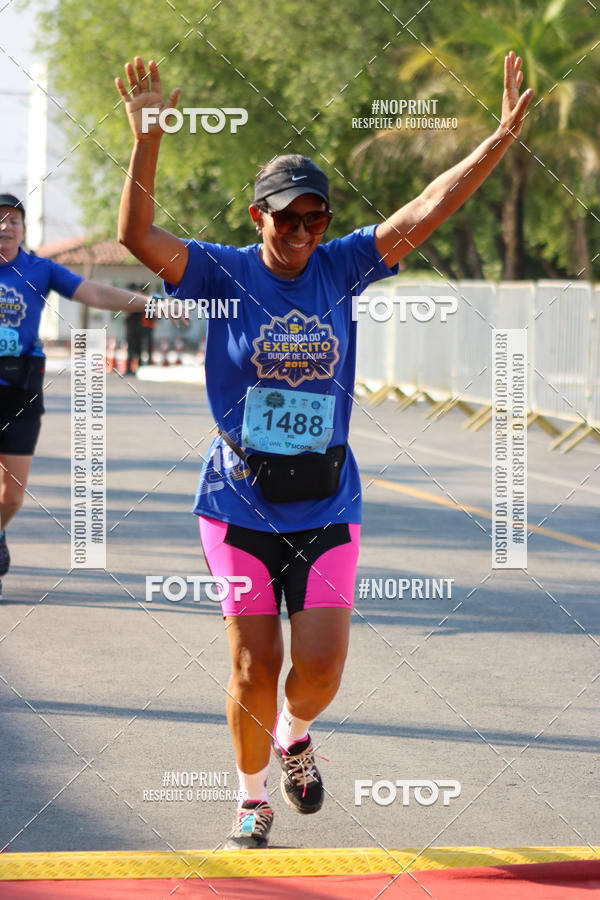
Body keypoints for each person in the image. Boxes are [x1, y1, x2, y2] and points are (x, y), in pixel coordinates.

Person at [115, 53, 533, 849]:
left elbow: (427, 208)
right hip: (238, 498)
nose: (303, 232)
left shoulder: (343, 266)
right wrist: (147, 135)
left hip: (327, 498)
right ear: (256, 218)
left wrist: (498, 141)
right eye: (287, 218)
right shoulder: (219, 273)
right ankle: (251, 799)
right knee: (250, 667)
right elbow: (135, 234)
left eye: (315, 218)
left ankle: (295, 734)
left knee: (319, 671)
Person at [0, 193, 156, 600]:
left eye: (13, 219)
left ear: (23, 228)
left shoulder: (40, 269)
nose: (6, 225)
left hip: (20, 389)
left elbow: (98, 294)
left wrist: (150, 304)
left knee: (11, 494)